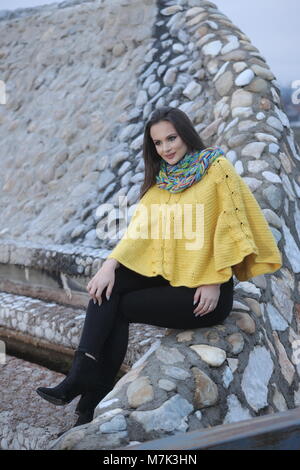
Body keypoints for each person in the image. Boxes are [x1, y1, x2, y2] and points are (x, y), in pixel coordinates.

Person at [36, 106, 282, 429]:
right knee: (111, 287)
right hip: (176, 283)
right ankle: (84, 386)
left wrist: (214, 279)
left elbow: (233, 227)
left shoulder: (216, 168)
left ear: (185, 135)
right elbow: (137, 235)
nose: (166, 148)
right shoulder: (160, 184)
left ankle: (87, 388)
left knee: (116, 306)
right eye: (158, 143)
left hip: (208, 295)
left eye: (171, 138)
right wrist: (109, 264)